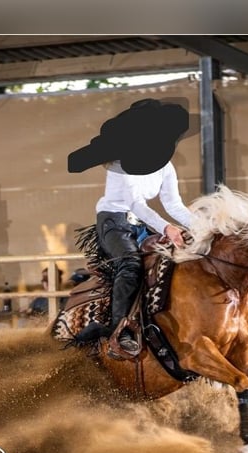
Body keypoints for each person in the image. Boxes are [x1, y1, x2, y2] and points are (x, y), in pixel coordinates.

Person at [69, 98, 194, 357]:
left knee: (172, 263)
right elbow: (136, 205)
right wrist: (167, 228)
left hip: (142, 224)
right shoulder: (120, 164)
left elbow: (174, 204)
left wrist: (205, 227)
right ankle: (120, 330)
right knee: (130, 263)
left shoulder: (165, 166)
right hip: (113, 221)